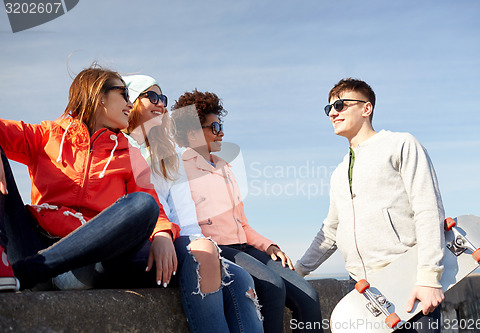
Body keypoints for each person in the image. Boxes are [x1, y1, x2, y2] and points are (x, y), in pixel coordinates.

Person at [0, 65, 180, 293]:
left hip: (85, 263)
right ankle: (20, 267)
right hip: (30, 243)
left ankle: (33, 272)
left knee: (145, 205)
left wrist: (163, 233)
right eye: (123, 94)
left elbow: (149, 201)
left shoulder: (129, 154)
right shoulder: (47, 135)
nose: (130, 104)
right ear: (99, 97)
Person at [296, 78, 445, 332]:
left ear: (366, 109)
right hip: (363, 292)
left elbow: (428, 209)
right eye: (329, 108)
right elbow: (330, 231)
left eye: (341, 105)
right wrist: (296, 271)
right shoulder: (339, 172)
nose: (333, 112)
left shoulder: (400, 144)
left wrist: (430, 278)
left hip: (408, 281)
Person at [170, 90, 323, 333]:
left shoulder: (225, 168)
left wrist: (269, 246)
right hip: (217, 249)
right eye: (215, 126)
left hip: (246, 247)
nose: (221, 132)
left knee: (308, 297)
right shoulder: (179, 169)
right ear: (192, 133)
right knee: (272, 286)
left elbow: (243, 224)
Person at [122, 74, 264, 333]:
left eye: (162, 98)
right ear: (130, 101)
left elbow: (184, 215)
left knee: (241, 278)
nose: (161, 103)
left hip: (177, 240)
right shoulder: (123, 148)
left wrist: (199, 244)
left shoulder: (167, 155)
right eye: (151, 96)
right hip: (145, 242)